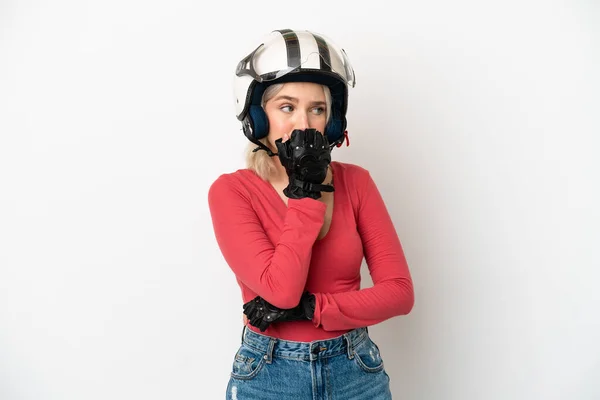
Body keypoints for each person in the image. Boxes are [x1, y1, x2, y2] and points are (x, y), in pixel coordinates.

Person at [208, 28, 414, 399]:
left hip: (355, 368)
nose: (304, 124)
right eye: (287, 107)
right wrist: (305, 193)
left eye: (317, 109)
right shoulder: (232, 191)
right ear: (258, 117)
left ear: (331, 121)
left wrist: (312, 308)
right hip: (269, 372)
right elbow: (282, 292)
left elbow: (399, 293)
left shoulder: (357, 182)